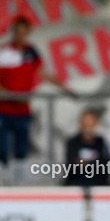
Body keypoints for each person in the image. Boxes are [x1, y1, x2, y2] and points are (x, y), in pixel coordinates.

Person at [0, 17, 77, 184]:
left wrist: (64, 88)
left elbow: (42, 73)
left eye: (24, 32)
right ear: (13, 31)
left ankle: (18, 183)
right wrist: (11, 95)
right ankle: (3, 181)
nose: (20, 35)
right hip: (3, 110)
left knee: (22, 149)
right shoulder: (4, 52)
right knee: (3, 148)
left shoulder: (31, 52)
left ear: (28, 32)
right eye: (17, 31)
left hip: (23, 111)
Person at [63, 108, 110, 186]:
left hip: (98, 184)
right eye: (84, 123)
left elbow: (107, 166)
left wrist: (85, 163)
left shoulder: (101, 143)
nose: (87, 127)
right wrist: (94, 164)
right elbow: (71, 166)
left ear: (95, 124)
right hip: (76, 184)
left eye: (90, 123)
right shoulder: (73, 143)